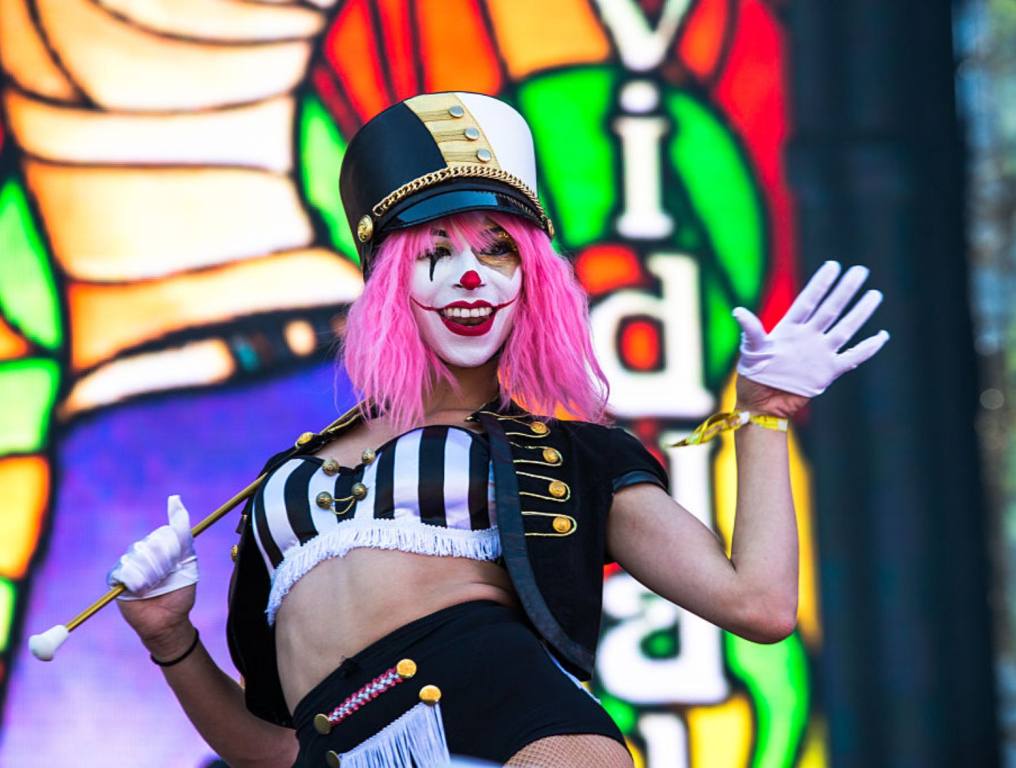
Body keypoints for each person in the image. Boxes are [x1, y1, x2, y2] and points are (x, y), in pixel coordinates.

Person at [111, 92, 889, 768]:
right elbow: (270, 752)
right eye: (437, 253)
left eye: (498, 251)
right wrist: (170, 639)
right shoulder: (283, 481)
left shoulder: (573, 454)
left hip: (520, 730)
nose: (471, 276)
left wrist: (764, 414)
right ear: (388, 283)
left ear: (532, 281)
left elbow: (759, 606)